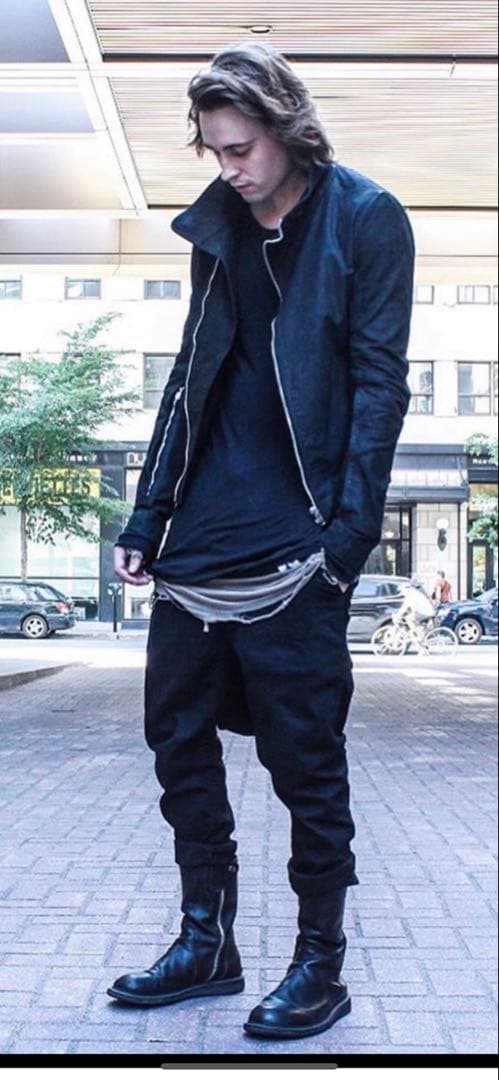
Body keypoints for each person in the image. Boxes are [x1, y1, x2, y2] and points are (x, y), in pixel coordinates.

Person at [107, 42, 414, 1040]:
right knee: (176, 743)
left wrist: (347, 542)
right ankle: (207, 941)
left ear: (286, 129)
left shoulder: (365, 218)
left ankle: (319, 963)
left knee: (305, 764)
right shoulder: (220, 228)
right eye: (214, 151)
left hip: (296, 545)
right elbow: (187, 374)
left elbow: (378, 386)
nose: (227, 168)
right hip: (199, 539)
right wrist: (148, 514)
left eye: (240, 148)